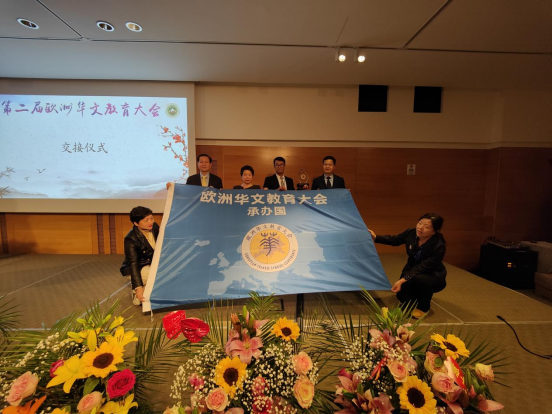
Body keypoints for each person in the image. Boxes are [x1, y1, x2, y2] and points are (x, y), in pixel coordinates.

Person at [369, 213, 447, 319]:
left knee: (419, 280)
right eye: (420, 223)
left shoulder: (439, 246)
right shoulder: (411, 233)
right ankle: (415, 297)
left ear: (434, 231)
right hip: (412, 269)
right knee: (401, 296)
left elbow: (422, 267)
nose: (420, 227)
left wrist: (402, 280)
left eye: (426, 226)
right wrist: (376, 237)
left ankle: (424, 307)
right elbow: (395, 240)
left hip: (432, 275)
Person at [120, 206, 159, 306]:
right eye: (146, 220)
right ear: (136, 223)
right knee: (153, 274)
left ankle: (144, 289)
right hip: (138, 266)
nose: (150, 222)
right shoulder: (131, 239)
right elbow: (133, 263)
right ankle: (136, 289)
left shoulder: (154, 227)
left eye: (151, 218)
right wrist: (138, 288)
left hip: (152, 263)